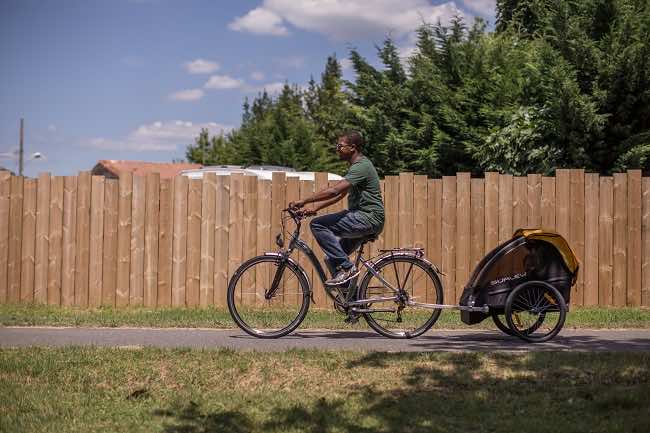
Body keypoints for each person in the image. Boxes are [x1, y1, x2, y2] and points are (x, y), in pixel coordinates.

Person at [289, 130, 385, 285]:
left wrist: (304, 200)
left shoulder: (361, 167)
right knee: (333, 258)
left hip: (367, 218)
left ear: (352, 147)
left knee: (317, 224)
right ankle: (352, 304)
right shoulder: (357, 167)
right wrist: (316, 208)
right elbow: (340, 195)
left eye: (340, 146)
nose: (337, 149)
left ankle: (347, 269)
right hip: (366, 218)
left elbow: (335, 190)